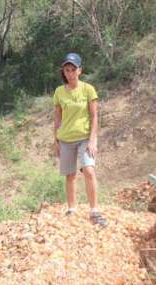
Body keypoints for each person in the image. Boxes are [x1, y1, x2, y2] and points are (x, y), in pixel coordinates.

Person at [53, 52, 106, 227]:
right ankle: (72, 209)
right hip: (66, 139)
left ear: (79, 71)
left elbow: (94, 116)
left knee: (89, 170)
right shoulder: (59, 92)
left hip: (84, 138)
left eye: (73, 69)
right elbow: (58, 119)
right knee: (70, 175)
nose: (69, 73)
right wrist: (56, 141)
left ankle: (94, 210)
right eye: (67, 70)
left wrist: (93, 140)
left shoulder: (88, 89)